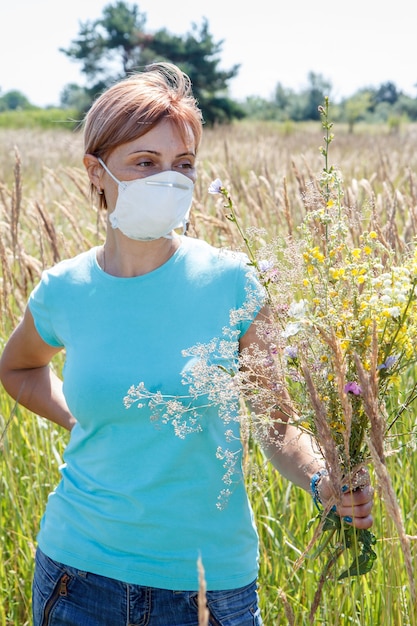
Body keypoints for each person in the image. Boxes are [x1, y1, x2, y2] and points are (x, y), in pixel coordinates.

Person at [0, 63, 373, 626]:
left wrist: (323, 482)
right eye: (145, 163)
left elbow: (276, 424)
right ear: (96, 173)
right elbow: (19, 369)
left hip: (208, 589)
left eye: (183, 165)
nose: (169, 181)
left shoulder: (237, 284)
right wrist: (81, 419)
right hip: (78, 578)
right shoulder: (64, 289)